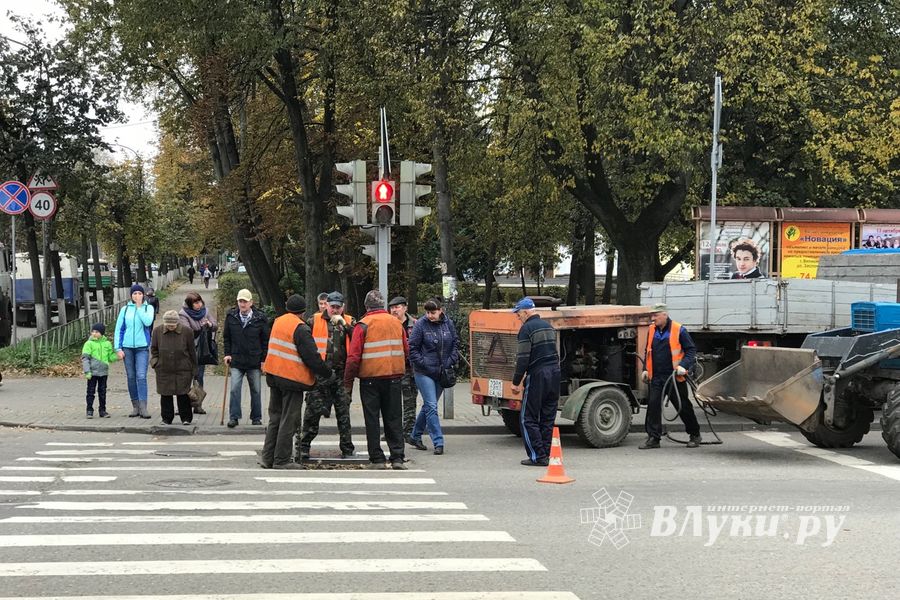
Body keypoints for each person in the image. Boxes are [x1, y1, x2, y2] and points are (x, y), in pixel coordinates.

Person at [260, 294, 333, 469]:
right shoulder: (300, 328)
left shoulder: (278, 322)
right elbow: (312, 357)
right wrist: (327, 373)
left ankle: (268, 457)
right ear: (303, 311)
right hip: (291, 378)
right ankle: (282, 460)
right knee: (288, 419)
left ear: (288, 308)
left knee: (275, 417)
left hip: (273, 375)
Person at [344, 289, 409, 470]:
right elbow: (406, 349)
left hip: (370, 380)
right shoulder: (396, 323)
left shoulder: (363, 325)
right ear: (383, 305)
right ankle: (397, 457)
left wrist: (348, 382)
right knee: (394, 418)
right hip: (394, 378)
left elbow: (353, 357)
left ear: (367, 306)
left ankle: (377, 459)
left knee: (372, 420)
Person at [296, 291, 356, 461]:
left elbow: (359, 339)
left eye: (338, 307)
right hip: (320, 374)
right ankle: (303, 446)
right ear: (326, 306)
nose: (335, 310)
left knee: (343, 412)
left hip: (341, 375)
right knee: (312, 412)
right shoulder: (314, 320)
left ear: (343, 307)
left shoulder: (349, 320)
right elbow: (303, 340)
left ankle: (347, 448)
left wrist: (345, 325)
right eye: (332, 307)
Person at [639, 303, 702, 449]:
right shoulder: (651, 330)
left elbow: (691, 350)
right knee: (653, 406)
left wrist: (683, 365)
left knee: (683, 406)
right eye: (652, 315)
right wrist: (645, 369)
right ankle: (654, 438)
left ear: (664, 315)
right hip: (657, 376)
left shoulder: (679, 330)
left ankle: (695, 434)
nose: (653, 318)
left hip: (674, 377)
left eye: (655, 315)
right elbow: (648, 351)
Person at [510, 297, 561, 467]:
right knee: (547, 417)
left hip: (538, 374)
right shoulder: (549, 327)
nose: (518, 317)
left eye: (518, 314)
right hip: (555, 373)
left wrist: (516, 382)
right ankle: (546, 454)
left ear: (525, 312)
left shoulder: (526, 329)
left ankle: (537, 456)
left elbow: (523, 358)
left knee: (527, 418)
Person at [407, 297, 458, 456]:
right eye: (428, 312)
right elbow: (412, 348)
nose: (430, 316)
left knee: (430, 406)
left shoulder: (448, 323)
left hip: (442, 371)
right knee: (431, 405)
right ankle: (438, 441)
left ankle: (415, 436)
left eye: (433, 312)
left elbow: (455, 343)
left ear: (440, 310)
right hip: (424, 372)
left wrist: (451, 360)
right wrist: (424, 364)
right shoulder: (420, 325)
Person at [223, 289, 270, 428]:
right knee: (234, 388)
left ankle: (256, 417)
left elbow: (265, 341)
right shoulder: (231, 316)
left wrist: (264, 360)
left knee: (256, 390)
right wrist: (227, 353)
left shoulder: (260, 318)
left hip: (254, 360)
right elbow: (227, 337)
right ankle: (234, 417)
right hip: (236, 359)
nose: (242, 304)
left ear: (251, 302)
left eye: (245, 301)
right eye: (240, 301)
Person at [114, 283, 155, 418]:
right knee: (131, 377)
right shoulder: (125, 309)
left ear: (143, 295)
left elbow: (148, 322)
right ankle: (135, 406)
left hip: (142, 347)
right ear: (131, 296)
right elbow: (119, 329)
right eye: (134, 294)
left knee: (141, 376)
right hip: (127, 348)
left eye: (139, 293)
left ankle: (143, 407)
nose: (137, 296)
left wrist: (139, 307)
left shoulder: (148, 308)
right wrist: (118, 348)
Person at [151, 310, 197, 426]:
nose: (171, 327)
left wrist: (194, 368)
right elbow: (154, 349)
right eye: (168, 325)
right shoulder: (157, 331)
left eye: (173, 325)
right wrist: (155, 363)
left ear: (177, 323)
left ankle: (186, 418)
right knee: (165, 394)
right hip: (164, 368)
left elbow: (192, 351)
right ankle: (166, 419)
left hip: (183, 368)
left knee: (183, 394)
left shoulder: (187, 331)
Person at [179, 292, 218, 413]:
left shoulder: (205, 311)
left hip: (202, 349)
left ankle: (198, 404)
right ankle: (184, 406)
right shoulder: (183, 314)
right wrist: (201, 326)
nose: (198, 305)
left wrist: (209, 324)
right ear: (190, 304)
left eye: (199, 301)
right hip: (188, 350)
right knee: (186, 377)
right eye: (195, 303)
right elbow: (187, 331)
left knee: (199, 376)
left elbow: (215, 325)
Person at [389, 296, 419, 442]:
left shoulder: (415, 324)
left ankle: (408, 432)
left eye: (397, 307)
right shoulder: (387, 324)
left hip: (410, 369)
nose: (394, 310)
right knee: (391, 403)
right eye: (392, 308)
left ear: (405, 308)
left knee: (409, 402)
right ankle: (392, 431)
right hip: (392, 369)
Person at [81, 323, 117, 419]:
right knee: (90, 392)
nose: (94, 333)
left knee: (102, 392)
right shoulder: (89, 344)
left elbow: (110, 357)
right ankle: (89, 410)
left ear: (102, 333)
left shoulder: (107, 344)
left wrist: (117, 356)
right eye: (93, 331)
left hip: (103, 372)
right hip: (92, 372)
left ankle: (102, 410)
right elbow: (85, 358)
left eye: (96, 332)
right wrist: (87, 371)